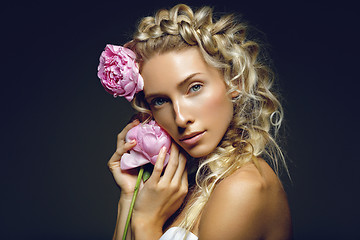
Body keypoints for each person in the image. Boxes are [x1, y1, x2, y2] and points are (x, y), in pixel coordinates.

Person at [106, 4, 292, 240]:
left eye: (194, 88)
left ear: (234, 82)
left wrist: (145, 222)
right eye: (160, 100)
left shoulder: (242, 188)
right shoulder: (186, 185)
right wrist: (130, 196)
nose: (181, 118)